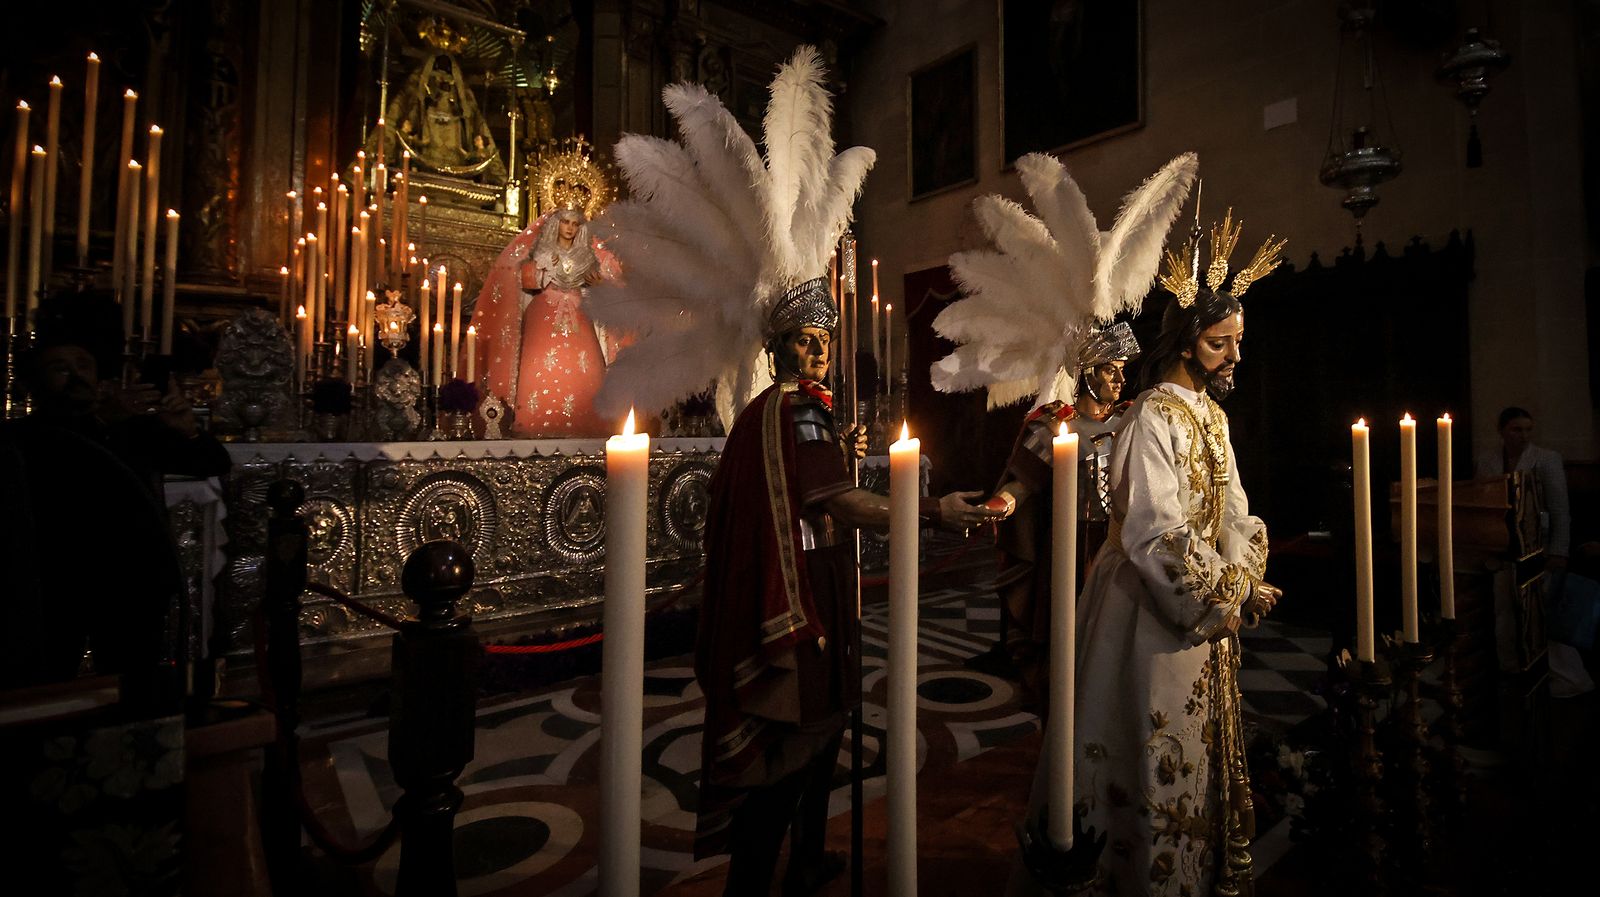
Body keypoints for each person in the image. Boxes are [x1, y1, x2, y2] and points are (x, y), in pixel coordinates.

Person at [696, 281, 1002, 895]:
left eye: (825, 341)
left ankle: (806, 859)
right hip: (804, 590)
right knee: (797, 739)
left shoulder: (777, 409)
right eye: (804, 342)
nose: (818, 353)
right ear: (777, 349)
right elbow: (840, 502)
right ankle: (751, 881)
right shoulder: (798, 407)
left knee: (824, 731)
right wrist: (935, 509)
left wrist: (838, 447)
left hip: (819, 581)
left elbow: (803, 479)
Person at [1012, 217, 1286, 896]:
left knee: (1196, 756)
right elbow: (1156, 534)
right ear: (1187, 340)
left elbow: (1235, 511)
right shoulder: (1150, 418)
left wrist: (1244, 566)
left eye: (1238, 344)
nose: (1234, 358)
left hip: (1203, 619)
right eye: (1221, 344)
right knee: (1144, 748)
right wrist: (1231, 588)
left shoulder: (1212, 417)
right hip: (1145, 613)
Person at [1, 295, 230, 702]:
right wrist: (103, 419)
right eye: (61, 368)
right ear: (37, 381)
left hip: (132, 581)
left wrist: (187, 429)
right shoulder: (24, 437)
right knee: (47, 689)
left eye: (84, 366)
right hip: (56, 585)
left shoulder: (132, 429)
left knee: (136, 686)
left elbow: (212, 462)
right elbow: (61, 463)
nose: (76, 376)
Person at [982, 323, 1140, 701]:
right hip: (1072, 547)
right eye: (1109, 369)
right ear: (1086, 373)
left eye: (1122, 368)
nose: (1120, 378)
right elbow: (1025, 481)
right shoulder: (1054, 425)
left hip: (1121, 545)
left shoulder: (1133, 421)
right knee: (1067, 640)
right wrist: (1002, 503)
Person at [472, 206, 622, 436]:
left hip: (578, 313)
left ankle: (585, 425)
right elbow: (524, 279)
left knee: (584, 365)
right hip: (544, 313)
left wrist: (599, 286)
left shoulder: (586, 256)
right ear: (556, 224)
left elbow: (599, 287)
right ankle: (537, 423)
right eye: (565, 222)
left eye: (575, 224)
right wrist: (543, 271)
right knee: (539, 364)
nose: (570, 228)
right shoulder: (542, 251)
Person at [1478, 406, 1591, 697]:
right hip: (1502, 544)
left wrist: (1559, 551)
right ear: (1502, 431)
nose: (1523, 435)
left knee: (1542, 612)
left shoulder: (1546, 459)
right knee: (1504, 611)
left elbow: (1560, 508)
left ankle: (1567, 678)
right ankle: (1513, 671)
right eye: (1517, 429)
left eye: (1528, 429)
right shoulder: (1489, 460)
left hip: (1536, 542)